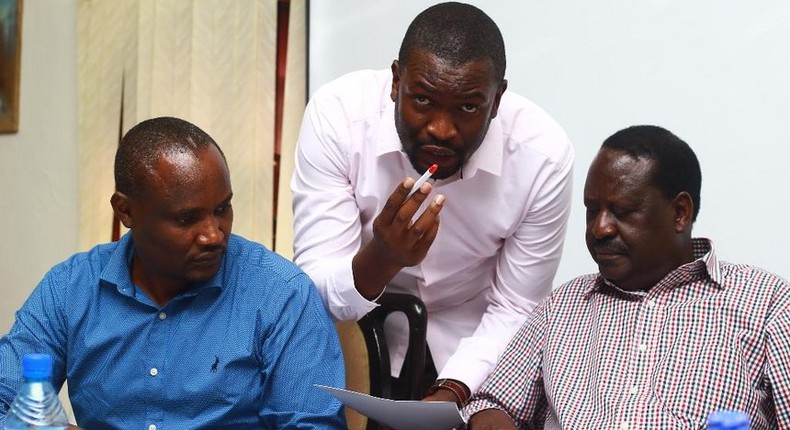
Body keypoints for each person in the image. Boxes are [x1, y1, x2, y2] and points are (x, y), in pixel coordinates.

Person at [291, 1, 574, 405]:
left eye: (468, 108)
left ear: (497, 102)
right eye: (422, 100)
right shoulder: (337, 117)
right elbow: (314, 292)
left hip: (479, 351)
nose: (441, 129)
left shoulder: (542, 156)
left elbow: (517, 306)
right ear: (395, 82)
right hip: (353, 339)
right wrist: (384, 257)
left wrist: (455, 390)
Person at [0, 117, 347, 429]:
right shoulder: (69, 289)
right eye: (186, 219)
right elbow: (5, 403)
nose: (213, 235)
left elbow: (313, 426)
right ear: (126, 211)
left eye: (222, 209)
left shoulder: (281, 295)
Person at [464, 125, 790, 429]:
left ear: (680, 213)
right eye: (592, 210)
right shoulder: (562, 306)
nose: (599, 228)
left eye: (621, 212)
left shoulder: (767, 304)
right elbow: (494, 402)